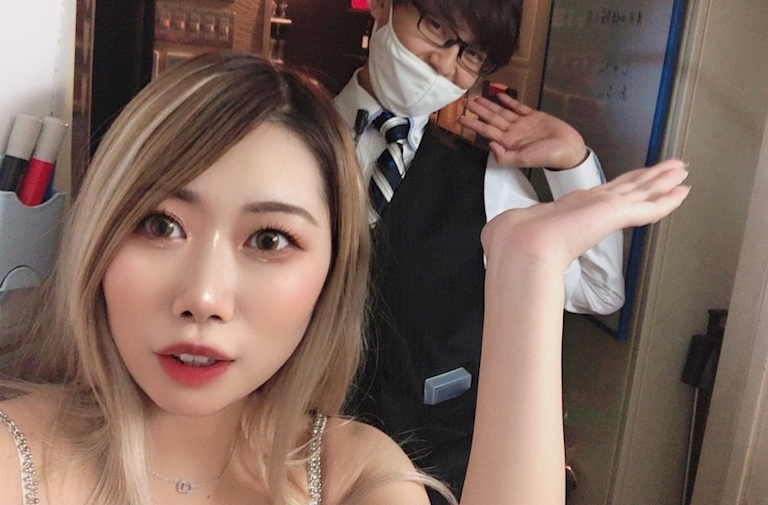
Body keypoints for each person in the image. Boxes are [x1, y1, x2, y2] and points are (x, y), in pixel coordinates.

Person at [0, 51, 688, 505]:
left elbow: (599, 289)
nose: (203, 298)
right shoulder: (13, 457)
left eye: (269, 239)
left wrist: (527, 266)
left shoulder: (353, 475)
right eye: (160, 224)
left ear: (333, 273)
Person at [336, 0, 625, 498]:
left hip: (431, 471)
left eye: (470, 55)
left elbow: (598, 291)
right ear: (383, 1)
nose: (445, 66)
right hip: (293, 455)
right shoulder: (292, 131)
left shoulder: (486, 178)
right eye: (436, 29)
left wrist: (572, 164)